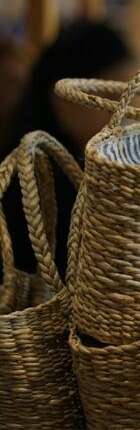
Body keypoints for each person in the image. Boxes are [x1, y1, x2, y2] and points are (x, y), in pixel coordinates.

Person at [1, 20, 132, 278]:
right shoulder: (36, 181)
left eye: (129, 101)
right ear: (66, 101)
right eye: (112, 100)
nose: (123, 116)